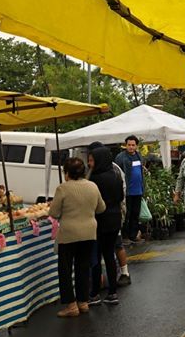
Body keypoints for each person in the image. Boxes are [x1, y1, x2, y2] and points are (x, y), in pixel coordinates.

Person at [49, 157, 105, 318]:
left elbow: (53, 212)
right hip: (89, 232)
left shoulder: (63, 189)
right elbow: (101, 208)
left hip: (69, 234)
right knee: (83, 267)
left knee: (65, 270)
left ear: (67, 173)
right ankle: (83, 302)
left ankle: (71, 305)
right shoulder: (92, 186)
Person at [87, 146, 123, 305]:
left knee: (95, 256)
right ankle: (112, 292)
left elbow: (92, 202)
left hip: (100, 220)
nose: (90, 163)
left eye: (92, 160)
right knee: (109, 254)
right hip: (115, 219)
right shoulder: (116, 174)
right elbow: (121, 196)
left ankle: (94, 293)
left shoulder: (95, 179)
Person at [114, 135, 145, 245]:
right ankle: (125, 236)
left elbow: (141, 172)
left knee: (135, 214)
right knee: (127, 214)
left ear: (136, 146)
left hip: (138, 190)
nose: (131, 147)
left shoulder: (139, 156)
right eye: (129, 145)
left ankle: (133, 235)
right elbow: (116, 172)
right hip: (127, 191)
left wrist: (142, 187)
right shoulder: (121, 157)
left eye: (133, 145)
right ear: (125, 145)